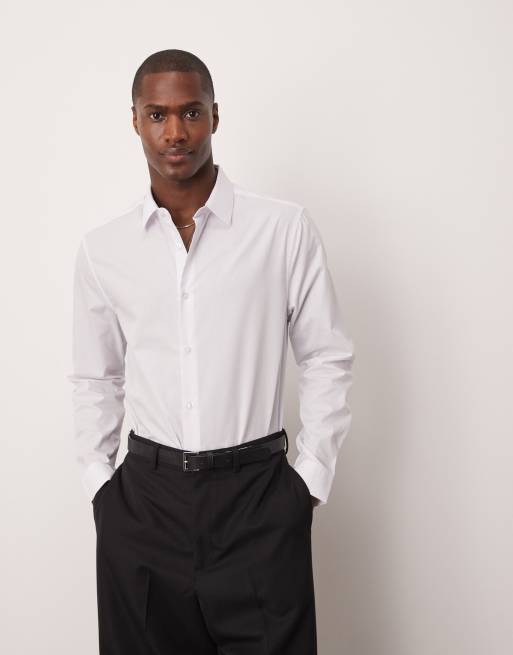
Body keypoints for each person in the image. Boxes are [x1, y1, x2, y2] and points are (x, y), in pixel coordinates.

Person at [67, 48, 355, 655]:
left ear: (215, 116)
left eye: (191, 112)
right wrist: (101, 486)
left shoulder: (282, 230)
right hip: (144, 507)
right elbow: (96, 377)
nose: (175, 132)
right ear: (136, 121)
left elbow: (326, 356)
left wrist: (308, 481)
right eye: (158, 115)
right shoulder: (104, 249)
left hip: (258, 503)